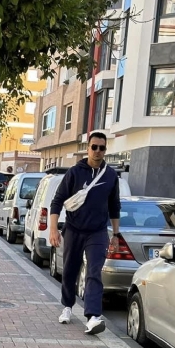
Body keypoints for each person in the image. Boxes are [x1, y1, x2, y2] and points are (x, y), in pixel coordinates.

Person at [48, 131, 120, 335]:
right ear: (87, 148)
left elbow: (114, 206)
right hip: (73, 229)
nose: (98, 151)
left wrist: (116, 234)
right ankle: (67, 306)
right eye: (94, 147)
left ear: (105, 150)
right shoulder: (74, 172)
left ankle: (92, 316)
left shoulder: (110, 175)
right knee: (70, 270)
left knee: (94, 271)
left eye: (102, 148)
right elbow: (57, 201)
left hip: (97, 232)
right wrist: (53, 229)